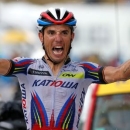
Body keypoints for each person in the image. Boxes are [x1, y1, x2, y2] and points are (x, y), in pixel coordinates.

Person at [0, 7, 130, 130]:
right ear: (41, 37)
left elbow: (119, 74)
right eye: (51, 33)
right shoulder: (26, 67)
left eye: (64, 33)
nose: (58, 39)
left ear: (72, 37)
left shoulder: (83, 71)